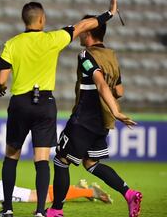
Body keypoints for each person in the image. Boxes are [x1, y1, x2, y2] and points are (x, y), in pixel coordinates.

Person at [0, 0, 118, 217]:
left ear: (25, 20)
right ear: (41, 20)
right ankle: (41, 211)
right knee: (41, 159)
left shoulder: (11, 44)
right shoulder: (53, 39)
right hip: (45, 104)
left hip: (20, 103)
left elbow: (1, 80)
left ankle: (8, 208)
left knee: (11, 156)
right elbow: (84, 25)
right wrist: (108, 14)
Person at [46, 18, 140, 217]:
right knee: (91, 164)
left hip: (84, 119)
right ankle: (129, 193)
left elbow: (100, 83)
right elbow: (119, 90)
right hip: (101, 121)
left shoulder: (85, 54)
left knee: (61, 160)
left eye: (83, 30)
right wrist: (111, 108)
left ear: (88, 32)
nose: (79, 33)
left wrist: (116, 111)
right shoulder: (111, 55)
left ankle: (56, 210)